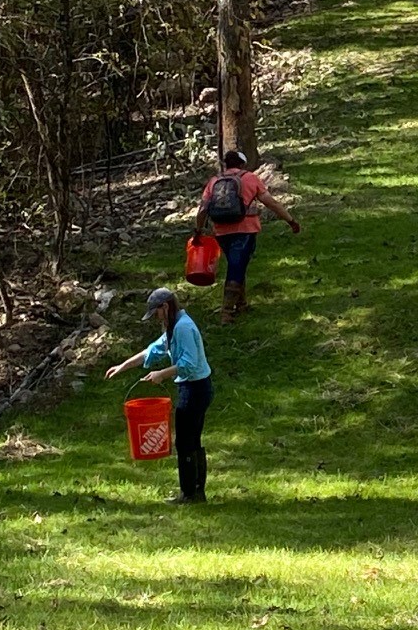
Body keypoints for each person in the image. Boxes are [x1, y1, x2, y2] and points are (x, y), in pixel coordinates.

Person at [106, 288, 214, 504]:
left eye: (156, 313)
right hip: (195, 387)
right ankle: (196, 492)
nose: (156, 318)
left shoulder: (183, 328)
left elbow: (188, 363)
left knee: (185, 441)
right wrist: (123, 366)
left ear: (165, 307)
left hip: (195, 388)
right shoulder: (175, 327)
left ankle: (189, 494)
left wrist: (161, 374)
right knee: (191, 439)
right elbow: (152, 350)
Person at [197, 150, 301, 324]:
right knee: (236, 268)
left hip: (221, 231)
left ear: (226, 164)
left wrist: (198, 230)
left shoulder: (214, 181)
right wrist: (290, 220)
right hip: (245, 230)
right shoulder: (250, 178)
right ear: (242, 164)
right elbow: (271, 203)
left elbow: (202, 209)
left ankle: (242, 305)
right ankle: (226, 312)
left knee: (237, 264)